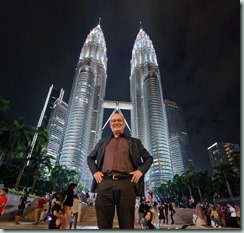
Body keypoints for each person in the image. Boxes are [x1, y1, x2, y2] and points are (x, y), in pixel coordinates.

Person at [87, 112, 153, 229]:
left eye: (119, 121)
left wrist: (140, 171)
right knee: (103, 224)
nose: (116, 123)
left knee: (127, 223)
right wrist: (95, 172)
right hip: (105, 183)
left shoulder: (135, 142)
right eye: (113, 121)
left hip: (127, 184)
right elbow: (90, 158)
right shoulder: (102, 142)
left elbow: (149, 158)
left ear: (124, 124)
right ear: (110, 125)